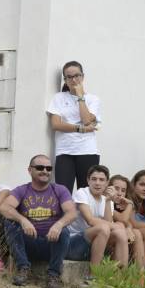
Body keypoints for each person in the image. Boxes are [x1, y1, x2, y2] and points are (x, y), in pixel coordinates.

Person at [0, 154, 76, 288]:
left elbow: (72, 213)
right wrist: (23, 220)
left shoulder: (59, 190)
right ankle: (23, 268)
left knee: (64, 231)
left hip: (51, 244)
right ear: (30, 170)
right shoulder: (22, 190)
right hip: (29, 243)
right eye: (40, 167)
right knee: (10, 223)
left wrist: (58, 225)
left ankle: (53, 275)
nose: (45, 171)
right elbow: (4, 208)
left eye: (49, 168)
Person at [47, 60, 101, 192]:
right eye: (69, 77)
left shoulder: (93, 99)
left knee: (87, 193)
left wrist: (80, 97)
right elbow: (56, 124)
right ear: (65, 80)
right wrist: (80, 128)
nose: (74, 79)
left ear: (83, 76)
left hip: (88, 151)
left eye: (77, 75)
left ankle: (86, 214)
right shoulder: (58, 98)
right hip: (65, 152)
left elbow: (87, 120)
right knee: (63, 192)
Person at [65, 165, 130, 274]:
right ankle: (93, 276)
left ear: (107, 183)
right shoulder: (82, 193)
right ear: (88, 180)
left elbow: (110, 226)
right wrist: (118, 226)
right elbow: (90, 220)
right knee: (104, 228)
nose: (97, 183)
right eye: (94, 179)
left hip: (95, 245)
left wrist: (109, 201)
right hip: (73, 244)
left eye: (101, 180)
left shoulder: (106, 199)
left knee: (119, 232)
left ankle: (121, 277)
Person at [108, 174, 145, 268]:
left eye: (123, 190)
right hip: (104, 239)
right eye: (116, 189)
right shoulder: (106, 202)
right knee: (122, 227)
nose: (120, 193)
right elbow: (122, 219)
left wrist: (129, 228)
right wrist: (130, 204)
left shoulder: (121, 206)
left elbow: (128, 223)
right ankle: (121, 274)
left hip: (117, 238)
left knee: (136, 233)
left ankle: (139, 275)